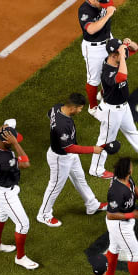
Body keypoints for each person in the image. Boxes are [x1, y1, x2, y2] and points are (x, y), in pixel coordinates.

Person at [89, 38, 138, 179]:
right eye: (120, 52)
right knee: (105, 140)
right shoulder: (107, 72)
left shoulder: (117, 58)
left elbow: (135, 48)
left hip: (123, 107)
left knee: (132, 131)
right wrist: (122, 55)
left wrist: (129, 43)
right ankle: (96, 169)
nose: (124, 54)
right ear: (113, 55)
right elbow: (122, 76)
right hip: (111, 111)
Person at [37, 93, 107, 227]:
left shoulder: (57, 108)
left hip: (69, 155)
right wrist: (93, 149)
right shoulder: (62, 125)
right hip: (60, 158)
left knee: (80, 178)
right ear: (73, 107)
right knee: (55, 186)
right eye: (80, 108)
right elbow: (69, 148)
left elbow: (49, 114)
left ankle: (92, 204)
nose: (81, 111)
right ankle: (44, 214)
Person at [0, 119, 38, 270]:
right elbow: (25, 163)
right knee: (23, 224)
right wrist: (16, 144)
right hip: (6, 193)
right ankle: (21, 257)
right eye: (12, 140)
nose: (16, 141)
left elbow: (5, 126)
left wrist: (7, 127)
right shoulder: (5, 160)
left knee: (1, 215)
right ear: (7, 142)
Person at [77, 0, 127, 112]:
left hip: (108, 41)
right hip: (94, 48)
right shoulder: (84, 10)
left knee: (111, 69)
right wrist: (109, 14)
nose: (105, 6)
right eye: (102, 4)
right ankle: (92, 107)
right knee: (94, 79)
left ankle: (103, 93)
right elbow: (91, 30)